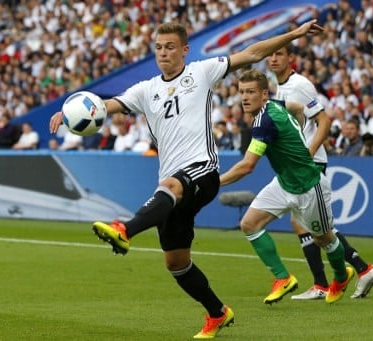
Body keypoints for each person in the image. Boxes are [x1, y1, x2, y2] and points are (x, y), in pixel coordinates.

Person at [49, 20, 324, 339]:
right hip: (172, 184)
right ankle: (218, 313)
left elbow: (250, 53)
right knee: (176, 262)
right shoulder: (145, 89)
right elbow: (107, 106)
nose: (163, 53)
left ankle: (125, 228)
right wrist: (70, 115)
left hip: (202, 170)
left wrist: (294, 34)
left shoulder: (202, 72)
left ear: (184, 50)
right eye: (158, 47)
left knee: (170, 188)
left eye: (169, 47)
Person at [220, 68, 354, 306]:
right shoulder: (274, 106)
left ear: (264, 95)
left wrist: (213, 181)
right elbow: (297, 107)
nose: (244, 97)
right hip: (284, 183)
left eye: (250, 92)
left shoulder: (265, 121)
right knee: (249, 224)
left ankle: (342, 276)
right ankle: (283, 278)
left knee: (324, 239)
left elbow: (247, 166)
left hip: (309, 187)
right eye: (241, 92)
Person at [266, 45, 373, 300]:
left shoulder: (300, 85)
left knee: (315, 226)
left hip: (310, 161)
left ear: (290, 58)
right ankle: (350, 273)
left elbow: (323, 120)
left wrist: (310, 150)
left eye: (279, 54)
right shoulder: (281, 88)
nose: (273, 58)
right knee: (306, 224)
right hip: (299, 162)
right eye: (270, 55)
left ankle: (341, 276)